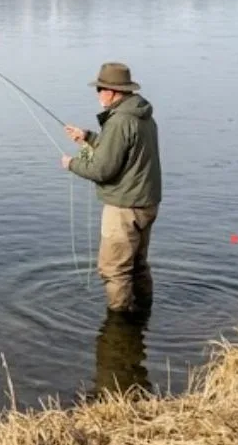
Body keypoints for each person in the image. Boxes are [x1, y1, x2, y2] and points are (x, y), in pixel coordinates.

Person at [60, 62, 162, 313]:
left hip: (124, 208)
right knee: (137, 265)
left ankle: (118, 327)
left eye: (99, 90)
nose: (98, 95)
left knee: (114, 270)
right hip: (146, 203)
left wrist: (71, 164)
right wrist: (89, 137)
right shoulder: (142, 115)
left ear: (113, 92)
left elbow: (103, 170)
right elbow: (124, 152)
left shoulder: (118, 122)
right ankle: (143, 315)